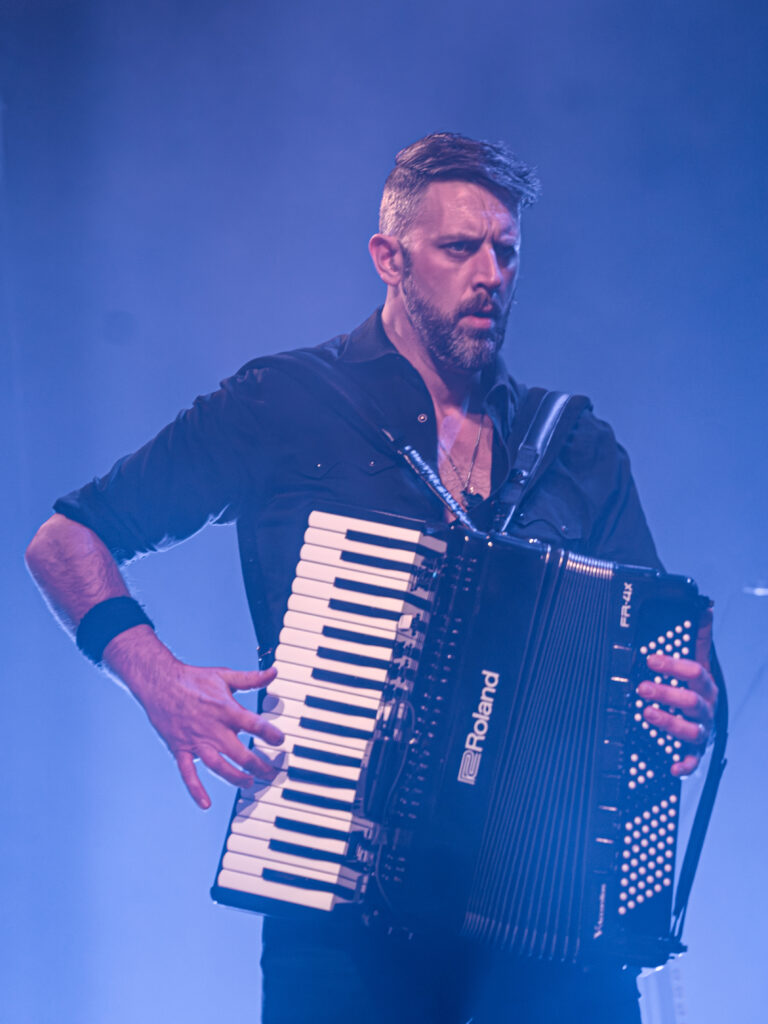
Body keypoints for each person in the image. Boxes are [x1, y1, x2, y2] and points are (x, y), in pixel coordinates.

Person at [25, 132, 718, 1023]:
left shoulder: (574, 444)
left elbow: (664, 631)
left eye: (506, 252)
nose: (490, 275)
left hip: (549, 933)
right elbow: (67, 540)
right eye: (460, 248)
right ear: (389, 258)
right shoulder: (285, 403)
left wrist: (690, 693)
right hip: (339, 912)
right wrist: (160, 681)